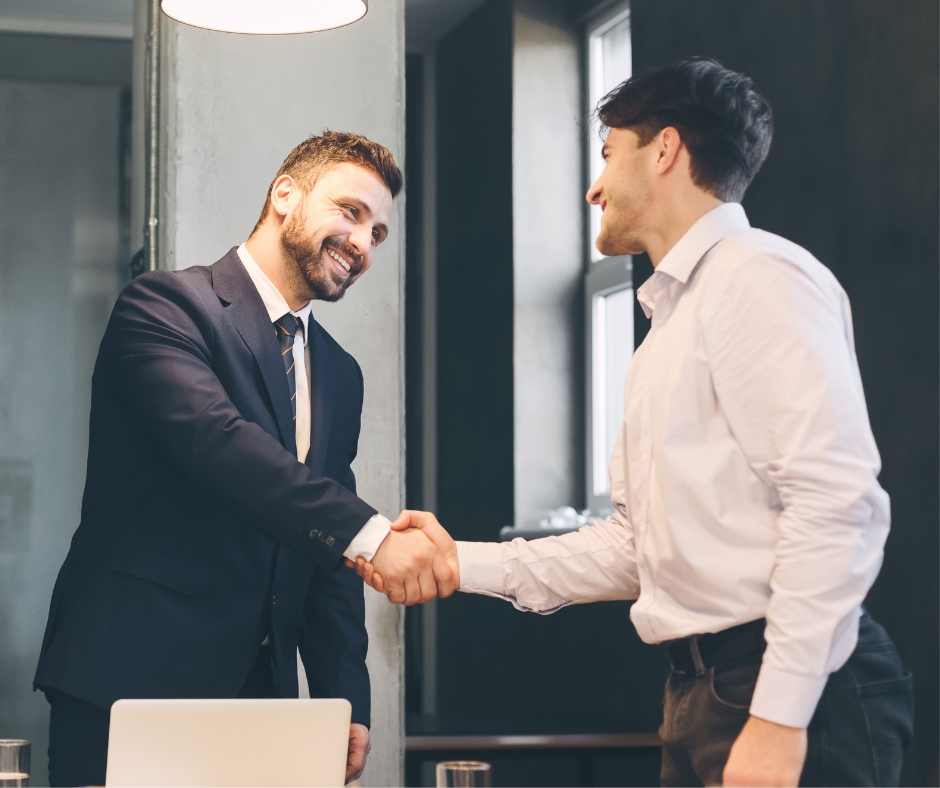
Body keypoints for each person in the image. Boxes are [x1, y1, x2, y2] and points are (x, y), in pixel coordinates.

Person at [353, 60, 915, 787]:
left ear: (665, 151)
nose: (595, 187)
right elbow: (635, 546)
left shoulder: (759, 277)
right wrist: (461, 562)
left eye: (608, 154)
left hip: (787, 687)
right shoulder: (670, 323)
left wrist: (779, 718)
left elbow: (838, 508)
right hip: (700, 693)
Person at [34, 131, 456, 788]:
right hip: (132, 676)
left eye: (378, 233)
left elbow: (324, 557)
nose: (363, 243)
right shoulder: (166, 305)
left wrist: (344, 695)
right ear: (285, 194)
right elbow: (218, 444)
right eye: (350, 212)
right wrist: (374, 536)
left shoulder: (340, 373)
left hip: (262, 701)